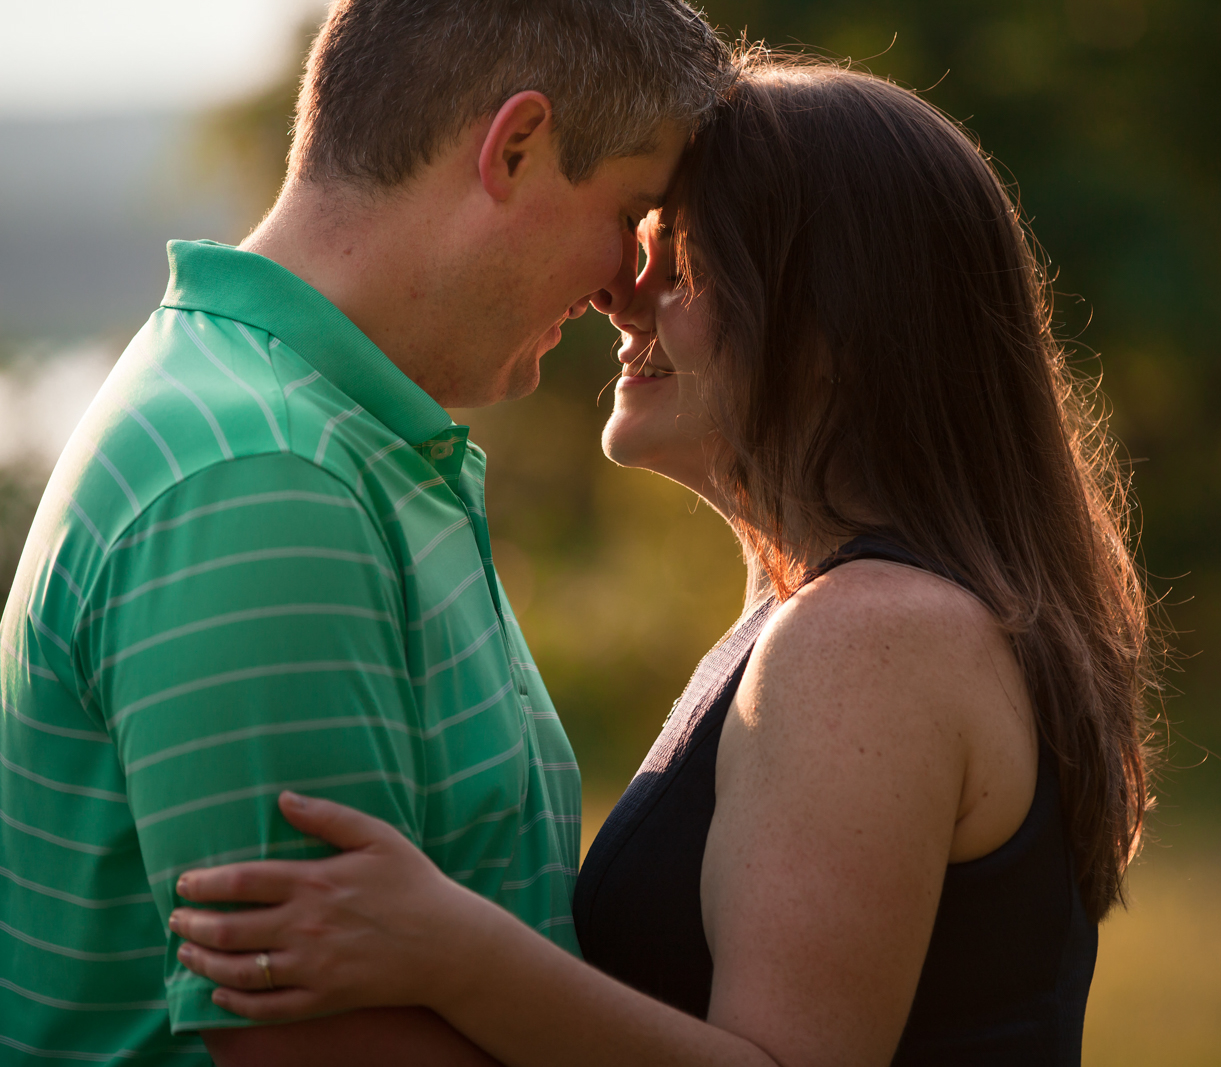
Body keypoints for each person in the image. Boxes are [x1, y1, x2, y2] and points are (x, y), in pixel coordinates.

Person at [167, 52, 1156, 1067]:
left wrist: (452, 951)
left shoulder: (870, 636)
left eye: (679, 265)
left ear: (830, 318)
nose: (622, 301)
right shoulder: (840, 614)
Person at [0, 2, 727, 1064]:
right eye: (631, 209)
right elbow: (315, 1043)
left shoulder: (313, 437)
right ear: (514, 148)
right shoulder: (262, 476)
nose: (629, 282)